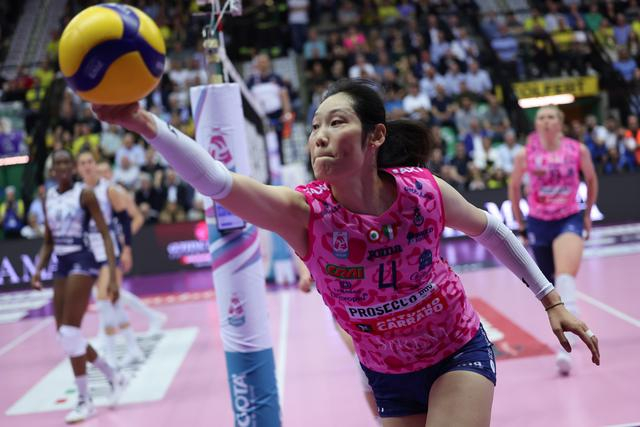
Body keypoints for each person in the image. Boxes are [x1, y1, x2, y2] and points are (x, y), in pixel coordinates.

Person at [93, 79, 600, 427]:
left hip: (456, 349)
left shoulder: (422, 191)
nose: (320, 137)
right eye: (315, 127)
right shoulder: (303, 213)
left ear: (375, 136)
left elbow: (492, 231)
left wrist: (551, 299)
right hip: (387, 373)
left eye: (336, 123)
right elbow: (218, 182)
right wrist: (143, 123)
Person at [31, 149, 126, 424]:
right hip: (61, 261)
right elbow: (48, 241)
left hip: (83, 259)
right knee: (65, 336)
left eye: (66, 163)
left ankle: (86, 401)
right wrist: (38, 270)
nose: (62, 167)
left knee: (70, 331)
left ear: (72, 168)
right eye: (57, 163)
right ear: (52, 170)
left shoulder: (85, 195)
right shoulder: (47, 196)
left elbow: (105, 234)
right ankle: (113, 375)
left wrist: (112, 274)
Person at [509, 105, 599, 376]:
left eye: (551, 117)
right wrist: (521, 223)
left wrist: (586, 214)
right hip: (538, 222)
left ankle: (566, 347)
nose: (546, 121)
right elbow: (514, 187)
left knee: (564, 278)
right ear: (536, 124)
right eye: (541, 117)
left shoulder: (577, 150)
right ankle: (568, 323)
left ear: (560, 123)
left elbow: (591, 179)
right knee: (550, 288)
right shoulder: (525, 154)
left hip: (568, 217)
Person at [76, 150, 147, 366]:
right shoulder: (77, 192)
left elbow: (125, 220)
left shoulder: (109, 190)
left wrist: (127, 249)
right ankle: (133, 348)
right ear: (78, 168)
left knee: (103, 299)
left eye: (90, 161)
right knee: (113, 302)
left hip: (109, 247)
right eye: (83, 163)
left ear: (95, 164)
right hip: (90, 250)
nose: (87, 166)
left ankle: (110, 355)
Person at [96, 159, 168, 334]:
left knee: (109, 291)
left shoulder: (119, 192)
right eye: (99, 173)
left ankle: (110, 330)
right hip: (100, 245)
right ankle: (149, 317)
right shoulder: (96, 193)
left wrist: (123, 239)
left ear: (111, 173)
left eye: (105, 172)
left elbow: (138, 218)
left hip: (116, 246)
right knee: (104, 291)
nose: (102, 175)